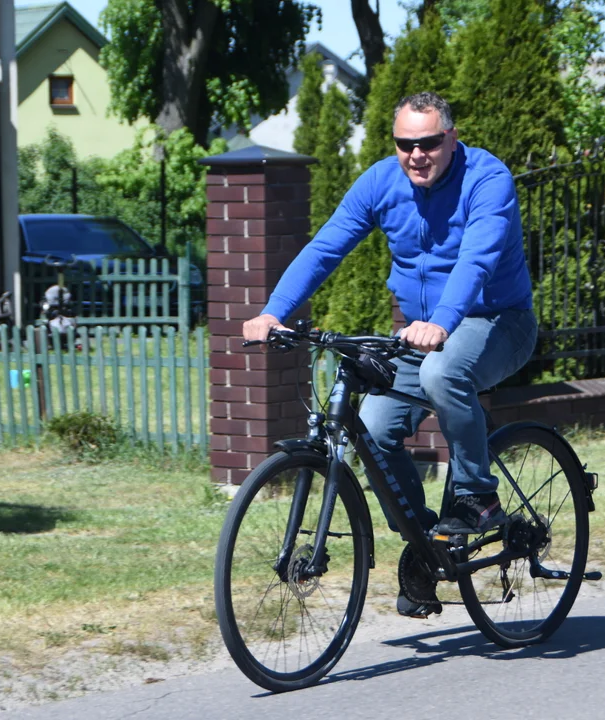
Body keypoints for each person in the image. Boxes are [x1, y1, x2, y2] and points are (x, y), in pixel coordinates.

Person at [242, 92, 538, 616]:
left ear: (451, 137)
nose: (416, 155)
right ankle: (430, 547)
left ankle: (477, 494)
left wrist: (442, 324)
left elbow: (477, 260)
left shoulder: (488, 180)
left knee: (446, 370)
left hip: (496, 321)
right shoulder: (381, 181)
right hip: (420, 331)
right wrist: (274, 312)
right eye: (405, 144)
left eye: (428, 143)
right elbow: (326, 246)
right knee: (374, 427)